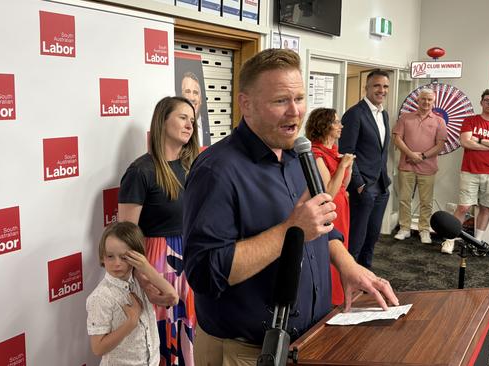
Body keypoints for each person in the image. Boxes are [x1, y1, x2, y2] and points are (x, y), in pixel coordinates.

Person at [183, 48, 399, 365]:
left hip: (310, 341)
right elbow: (204, 272)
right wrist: (290, 231)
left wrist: (348, 265)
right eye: (281, 101)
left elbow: (322, 226)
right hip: (245, 352)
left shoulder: (300, 156)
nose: (295, 112)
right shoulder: (216, 171)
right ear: (246, 104)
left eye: (299, 98)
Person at [118, 96, 199, 366]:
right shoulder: (140, 171)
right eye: (182, 117)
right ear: (162, 121)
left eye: (192, 119)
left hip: (188, 263)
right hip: (155, 264)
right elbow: (125, 237)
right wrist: (143, 280)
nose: (190, 124)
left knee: (187, 333)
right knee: (159, 340)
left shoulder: (191, 167)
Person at [86, 221, 179, 366]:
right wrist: (131, 322)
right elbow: (98, 348)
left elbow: (173, 297)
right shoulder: (101, 297)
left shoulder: (139, 281)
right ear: (102, 256)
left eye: (124, 257)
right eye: (110, 256)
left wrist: (146, 268)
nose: (117, 263)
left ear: (137, 258)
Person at [441, 88, 489, 254]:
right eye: (487, 100)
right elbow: (466, 142)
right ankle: (450, 240)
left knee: (485, 208)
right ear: (481, 102)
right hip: (470, 171)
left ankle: (477, 241)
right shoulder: (470, 120)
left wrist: (479, 140)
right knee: (463, 207)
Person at [339, 69, 391, 268]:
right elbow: (346, 151)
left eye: (385, 86)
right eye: (377, 85)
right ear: (367, 88)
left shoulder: (383, 114)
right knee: (356, 239)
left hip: (381, 186)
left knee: (372, 237)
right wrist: (359, 183)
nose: (382, 90)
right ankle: (348, 281)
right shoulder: (354, 114)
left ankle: (365, 276)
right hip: (364, 187)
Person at [305, 107, 355, 306]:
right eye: (336, 122)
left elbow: (343, 185)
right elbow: (328, 194)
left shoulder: (333, 152)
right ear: (324, 126)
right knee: (332, 252)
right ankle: (331, 299)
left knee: (342, 248)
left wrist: (347, 167)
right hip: (332, 209)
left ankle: (340, 293)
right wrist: (342, 166)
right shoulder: (317, 154)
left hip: (342, 207)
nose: (340, 126)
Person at [392, 88, 447, 244]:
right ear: (418, 100)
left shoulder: (439, 121)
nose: (426, 102)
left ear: (434, 102)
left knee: (426, 201)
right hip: (406, 165)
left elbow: (440, 145)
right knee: (404, 199)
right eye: (423, 99)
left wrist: (422, 156)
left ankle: (424, 230)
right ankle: (404, 228)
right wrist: (411, 154)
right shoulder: (405, 118)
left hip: (428, 167)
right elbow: (397, 139)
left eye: (430, 100)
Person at [181, 71, 211, 146]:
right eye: (187, 92)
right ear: (181, 98)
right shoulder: (175, 129)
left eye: (195, 92)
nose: (192, 98)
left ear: (201, 99)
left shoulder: (211, 126)